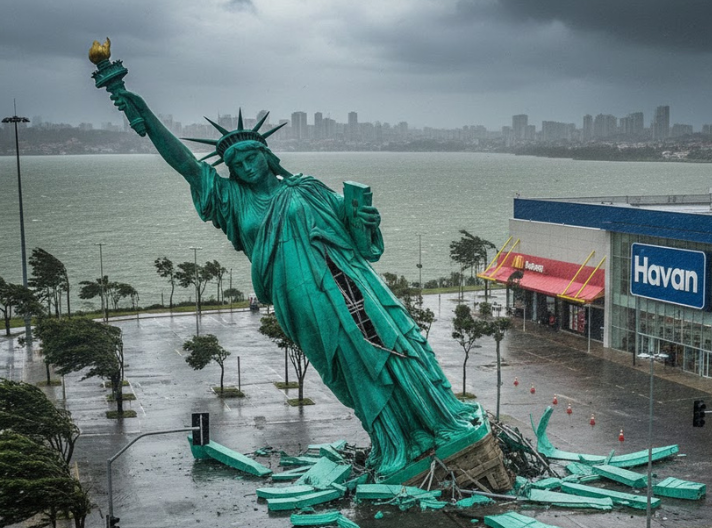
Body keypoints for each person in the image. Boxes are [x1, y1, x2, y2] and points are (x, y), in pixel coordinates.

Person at [109, 91, 481, 479]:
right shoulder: (231, 200)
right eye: (236, 163)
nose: (246, 167)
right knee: (352, 367)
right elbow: (187, 165)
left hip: (350, 283)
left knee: (395, 346)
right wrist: (145, 115)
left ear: (267, 155)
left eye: (252, 156)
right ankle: (394, 441)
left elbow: (355, 230)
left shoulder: (305, 188)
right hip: (301, 302)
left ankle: (436, 419)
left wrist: (367, 217)